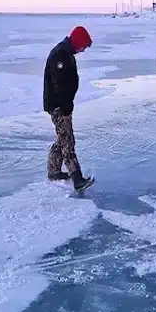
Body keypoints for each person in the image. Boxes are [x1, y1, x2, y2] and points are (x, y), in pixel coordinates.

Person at [43, 26, 94, 191]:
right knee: (67, 141)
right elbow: (59, 84)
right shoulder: (61, 55)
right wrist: (64, 106)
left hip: (63, 104)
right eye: (84, 45)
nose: (84, 49)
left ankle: (54, 171)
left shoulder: (67, 53)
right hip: (58, 105)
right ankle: (77, 179)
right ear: (78, 41)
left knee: (62, 137)